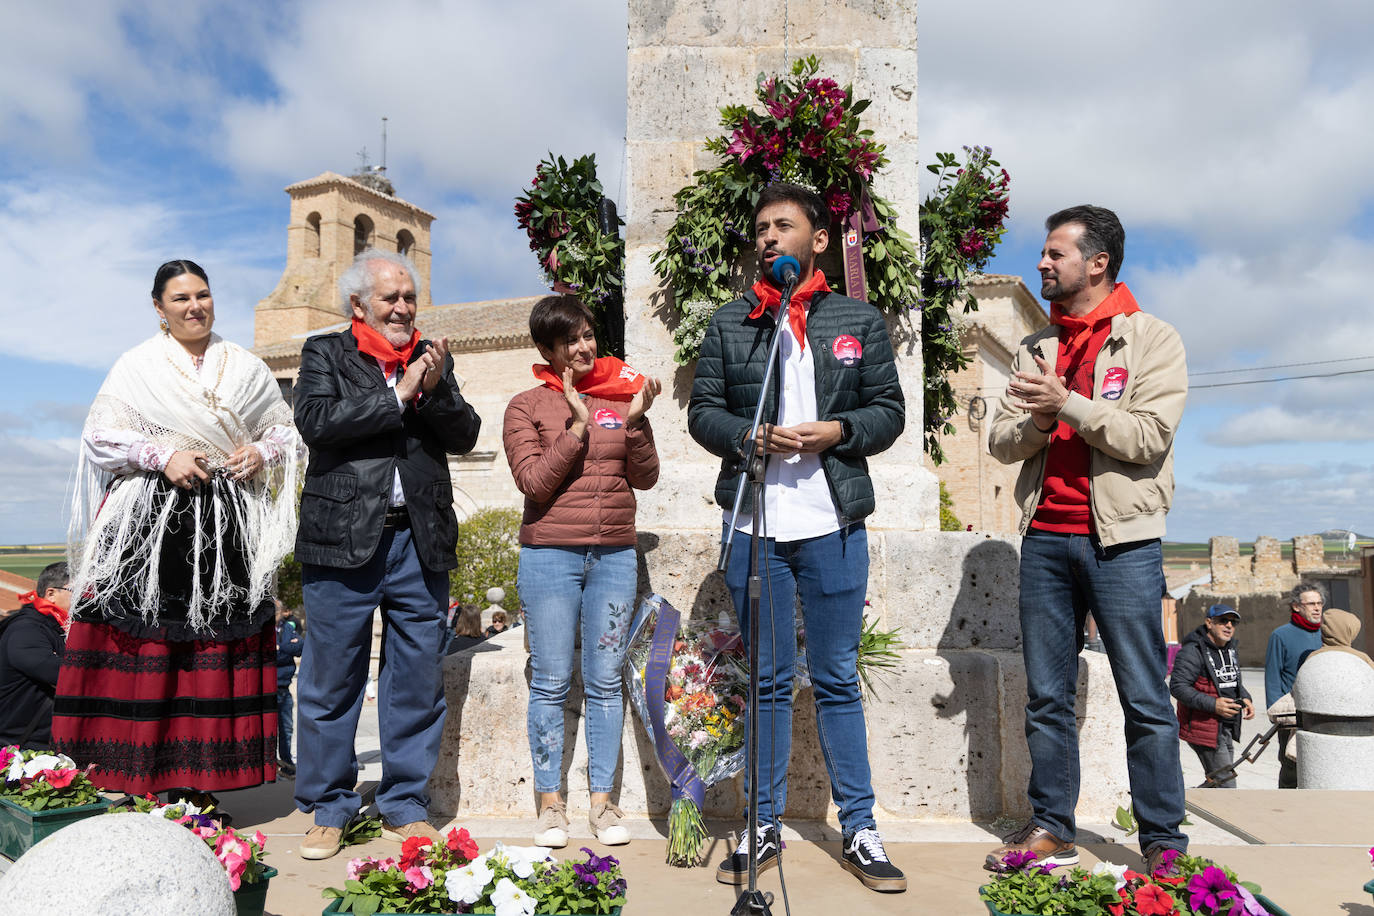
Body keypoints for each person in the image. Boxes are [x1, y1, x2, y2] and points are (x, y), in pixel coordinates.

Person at [687, 183, 907, 893]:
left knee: (838, 677)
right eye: (760, 228)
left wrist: (838, 432)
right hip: (757, 524)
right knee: (772, 682)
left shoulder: (858, 320)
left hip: (832, 522)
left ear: (818, 240)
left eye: (784, 225)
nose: (768, 236)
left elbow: (889, 411)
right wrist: (747, 435)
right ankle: (764, 824)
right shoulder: (732, 322)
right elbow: (703, 413)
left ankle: (862, 828)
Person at [986, 206, 1188, 874]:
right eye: (1043, 254)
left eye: (1054, 253)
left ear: (1097, 262)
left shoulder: (1154, 340)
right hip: (1046, 538)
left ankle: (1162, 841)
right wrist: (1042, 419)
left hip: (1123, 544)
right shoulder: (1035, 347)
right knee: (1046, 695)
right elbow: (1002, 441)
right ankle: (1052, 827)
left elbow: (1146, 438)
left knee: (1145, 699)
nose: (1041, 263)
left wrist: (1066, 403)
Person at [53, 260, 301, 801]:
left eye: (204, 295)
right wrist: (161, 454)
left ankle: (198, 783)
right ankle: (139, 776)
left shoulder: (246, 367)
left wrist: (262, 450)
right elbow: (99, 437)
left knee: (211, 651)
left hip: (226, 523)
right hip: (151, 521)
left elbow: (284, 428)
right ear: (159, 308)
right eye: (181, 298)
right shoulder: (137, 365)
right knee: (150, 647)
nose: (195, 306)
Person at [292, 248, 481, 860]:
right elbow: (317, 422)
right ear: (359, 306)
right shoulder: (326, 353)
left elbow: (466, 433)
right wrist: (400, 393)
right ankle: (329, 805)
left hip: (417, 540)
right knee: (330, 679)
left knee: (415, 679)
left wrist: (432, 390)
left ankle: (404, 801)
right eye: (389, 298)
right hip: (341, 540)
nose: (402, 308)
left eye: (409, 298)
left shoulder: (431, 359)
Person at [502, 294, 661, 848]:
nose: (585, 346)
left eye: (589, 334)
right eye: (571, 340)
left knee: (604, 679)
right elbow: (534, 485)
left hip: (614, 554)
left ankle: (603, 803)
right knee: (549, 679)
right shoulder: (524, 406)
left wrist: (635, 423)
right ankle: (550, 804)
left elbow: (645, 478)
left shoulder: (617, 398)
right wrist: (575, 423)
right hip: (550, 555)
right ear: (547, 350)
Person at [1169, 604, 1253, 788]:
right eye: (1223, 621)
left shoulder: (1230, 649)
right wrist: (1214, 704)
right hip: (1204, 727)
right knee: (1227, 784)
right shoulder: (1193, 651)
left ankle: (1187, 801)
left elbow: (1228, 680)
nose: (1229, 625)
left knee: (1219, 779)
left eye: (1233, 622)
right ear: (1209, 622)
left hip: (1227, 726)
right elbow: (1178, 687)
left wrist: (1245, 696)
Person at [0, 563, 72, 747]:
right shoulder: (26, 630)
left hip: (43, 741)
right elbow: (59, 672)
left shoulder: (56, 627)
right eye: (76, 590)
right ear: (51, 594)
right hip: (24, 748)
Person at [1264, 581, 1325, 788]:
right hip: (1292, 716)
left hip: (1320, 714)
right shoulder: (1281, 635)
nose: (1317, 608)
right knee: (1291, 768)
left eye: (1319, 603)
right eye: (1311, 604)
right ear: (1297, 606)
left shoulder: (1327, 634)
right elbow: (1273, 677)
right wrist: (1279, 715)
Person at [275, 600, 304, 778]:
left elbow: (300, 647)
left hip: (284, 686)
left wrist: (281, 648)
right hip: (269, 688)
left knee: (286, 728)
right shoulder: (262, 629)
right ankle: (271, 765)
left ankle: (286, 763)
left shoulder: (286, 627)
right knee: (270, 730)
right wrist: (287, 648)